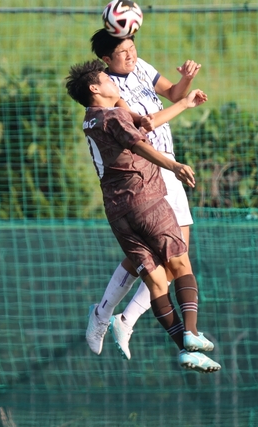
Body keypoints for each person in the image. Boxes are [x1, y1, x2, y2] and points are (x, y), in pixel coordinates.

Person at [65, 59, 220, 372]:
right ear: (95, 88)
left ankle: (185, 349)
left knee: (155, 278)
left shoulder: (91, 119)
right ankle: (190, 331)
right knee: (179, 260)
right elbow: (138, 143)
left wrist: (183, 101)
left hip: (117, 210)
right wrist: (172, 165)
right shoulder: (112, 117)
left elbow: (144, 120)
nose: (112, 82)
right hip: (144, 199)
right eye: (105, 79)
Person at [86, 27, 207, 361]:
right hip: (149, 174)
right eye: (123, 52)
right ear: (106, 60)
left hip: (166, 169)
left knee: (170, 256)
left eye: (132, 47)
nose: (131, 55)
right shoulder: (110, 92)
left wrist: (183, 83)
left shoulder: (140, 67)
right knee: (167, 256)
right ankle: (110, 314)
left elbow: (169, 91)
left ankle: (122, 318)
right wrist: (184, 104)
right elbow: (146, 124)